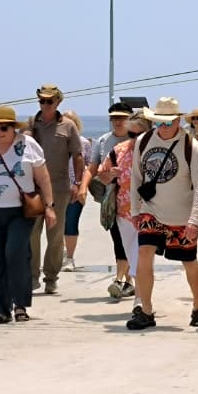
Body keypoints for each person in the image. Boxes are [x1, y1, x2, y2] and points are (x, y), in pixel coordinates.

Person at [0, 106, 58, 324]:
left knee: (15, 253)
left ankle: (20, 304)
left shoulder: (28, 145)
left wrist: (50, 206)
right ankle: (1, 309)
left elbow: (43, 178)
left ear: (13, 127)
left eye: (4, 127)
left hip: (21, 211)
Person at [126, 97, 198, 330]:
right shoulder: (143, 141)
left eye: (168, 122)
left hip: (182, 215)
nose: (163, 127)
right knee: (144, 253)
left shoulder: (189, 145)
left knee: (188, 261)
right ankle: (146, 310)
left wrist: (195, 219)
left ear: (178, 121)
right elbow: (136, 177)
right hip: (151, 211)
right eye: (159, 122)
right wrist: (135, 210)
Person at [27, 84, 84, 295]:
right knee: (31, 234)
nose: (45, 105)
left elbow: (78, 156)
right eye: (42, 101)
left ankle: (51, 277)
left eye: (49, 101)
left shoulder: (68, 126)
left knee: (56, 235)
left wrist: (77, 183)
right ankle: (32, 276)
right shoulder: (31, 124)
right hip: (33, 189)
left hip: (59, 188)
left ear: (58, 102)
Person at [104, 110, 152, 303]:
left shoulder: (156, 151)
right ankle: (141, 299)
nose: (136, 139)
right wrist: (110, 175)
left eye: (140, 134)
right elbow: (102, 175)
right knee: (133, 257)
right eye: (132, 134)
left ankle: (140, 302)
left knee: (143, 256)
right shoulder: (118, 151)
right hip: (124, 212)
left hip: (151, 212)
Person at [87, 102, 134, 297]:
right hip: (113, 200)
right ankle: (127, 281)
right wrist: (83, 188)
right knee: (119, 240)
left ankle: (119, 280)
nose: (118, 121)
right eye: (114, 118)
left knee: (131, 242)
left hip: (138, 202)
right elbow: (95, 170)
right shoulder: (103, 141)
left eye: (122, 117)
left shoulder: (140, 140)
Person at [62, 110, 93, 271]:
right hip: (57, 189)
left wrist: (82, 186)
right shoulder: (56, 142)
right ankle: (60, 252)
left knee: (71, 223)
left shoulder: (83, 143)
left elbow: (90, 165)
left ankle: (69, 258)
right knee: (57, 225)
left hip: (76, 188)